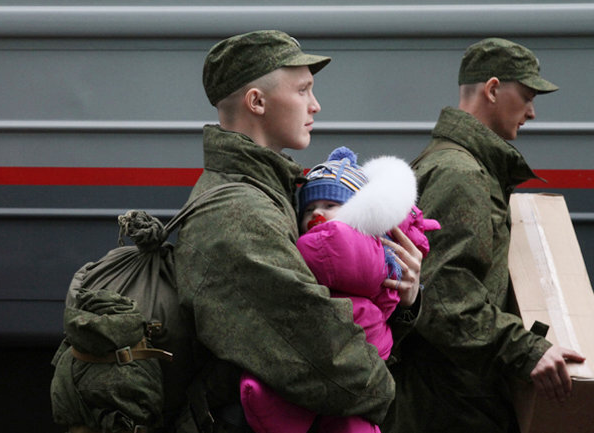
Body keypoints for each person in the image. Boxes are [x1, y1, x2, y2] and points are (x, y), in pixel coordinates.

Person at [174, 30, 423, 433]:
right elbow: (319, 353)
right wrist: (387, 391)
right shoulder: (239, 212)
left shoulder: (273, 191)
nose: (316, 105)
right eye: (304, 90)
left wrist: (402, 298)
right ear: (257, 102)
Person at [381, 37, 586, 433]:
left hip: (447, 398)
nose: (532, 112)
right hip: (450, 406)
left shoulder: (451, 161)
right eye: (526, 96)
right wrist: (523, 351)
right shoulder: (461, 174)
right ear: (493, 89)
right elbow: (445, 292)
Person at [238, 147, 440, 433]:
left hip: (355, 359)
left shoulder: (358, 245)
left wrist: (409, 304)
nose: (318, 212)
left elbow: (338, 252)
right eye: (309, 208)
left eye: (332, 205)